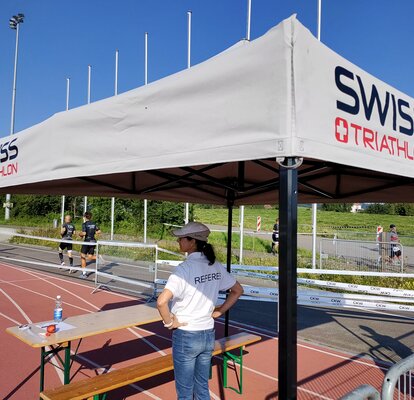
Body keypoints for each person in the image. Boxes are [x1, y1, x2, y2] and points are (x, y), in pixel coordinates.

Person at [156, 222, 243, 400]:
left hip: (187, 334)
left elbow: (161, 302)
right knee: (202, 387)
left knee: (185, 392)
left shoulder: (183, 269)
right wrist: (220, 312)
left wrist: (170, 322)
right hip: (207, 333)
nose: (178, 241)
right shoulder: (215, 266)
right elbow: (238, 290)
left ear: (192, 242)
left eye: (181, 238)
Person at [79, 211, 101, 278]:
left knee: (83, 256)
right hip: (93, 241)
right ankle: (98, 257)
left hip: (87, 241)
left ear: (85, 217)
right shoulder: (94, 224)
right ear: (91, 217)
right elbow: (99, 231)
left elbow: (84, 233)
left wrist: (79, 234)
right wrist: (95, 232)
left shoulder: (84, 224)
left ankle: (84, 273)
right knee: (90, 257)